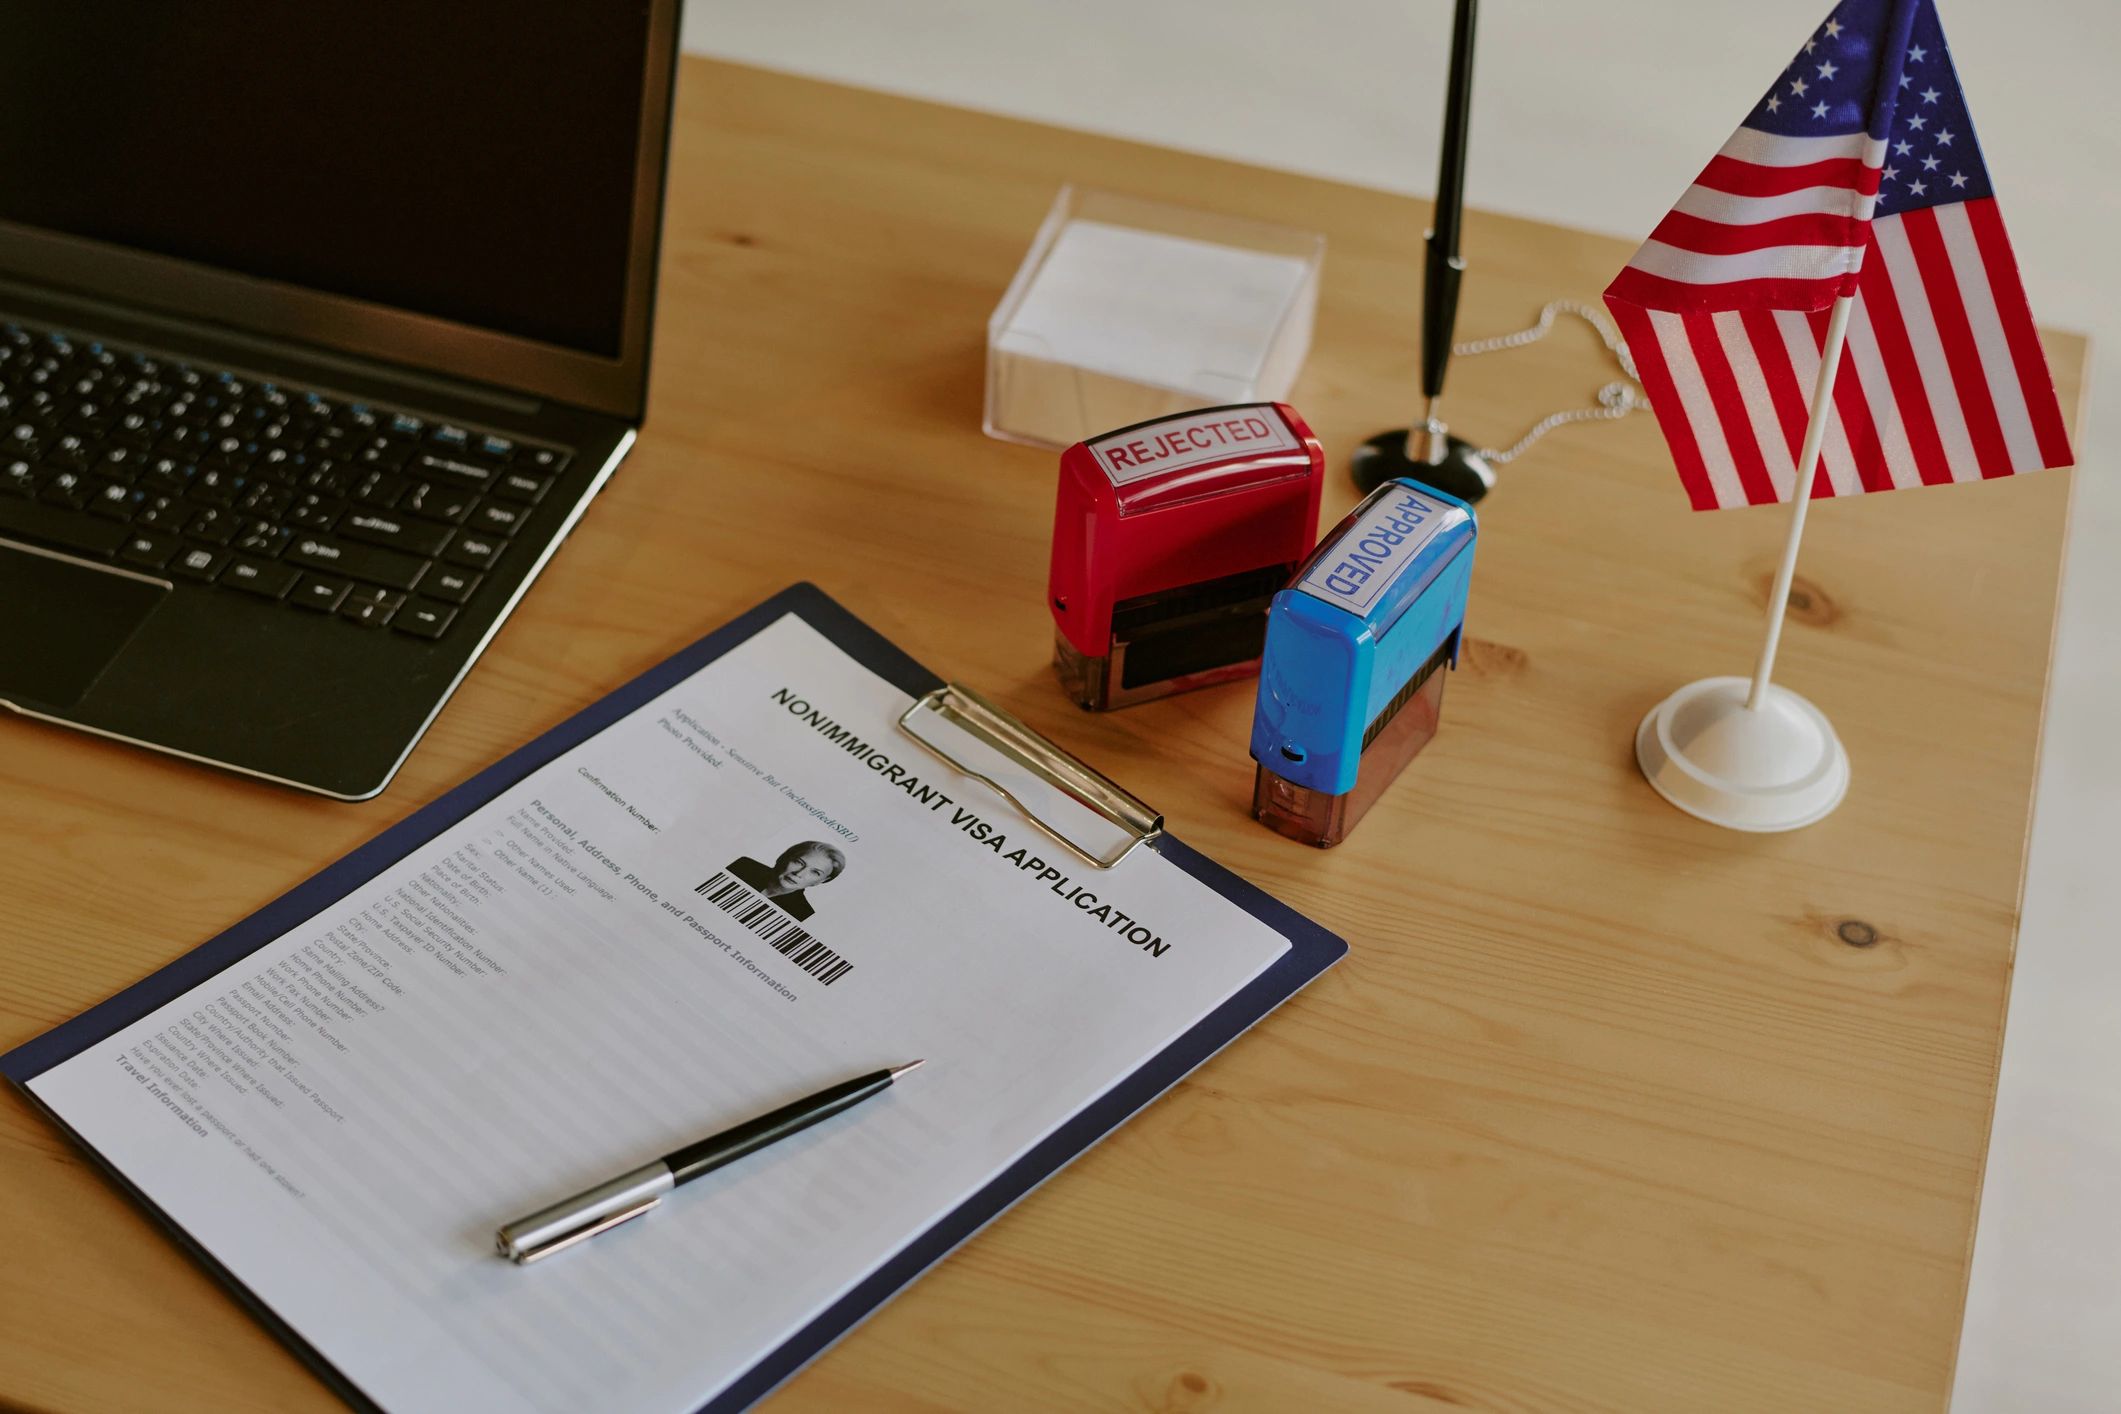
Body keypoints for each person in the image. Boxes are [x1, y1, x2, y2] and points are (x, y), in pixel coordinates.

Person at [725, 841, 845, 922]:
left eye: (815, 872)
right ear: (784, 858)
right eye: (799, 862)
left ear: (821, 881)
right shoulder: (742, 866)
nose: (799, 874)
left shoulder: (801, 914)